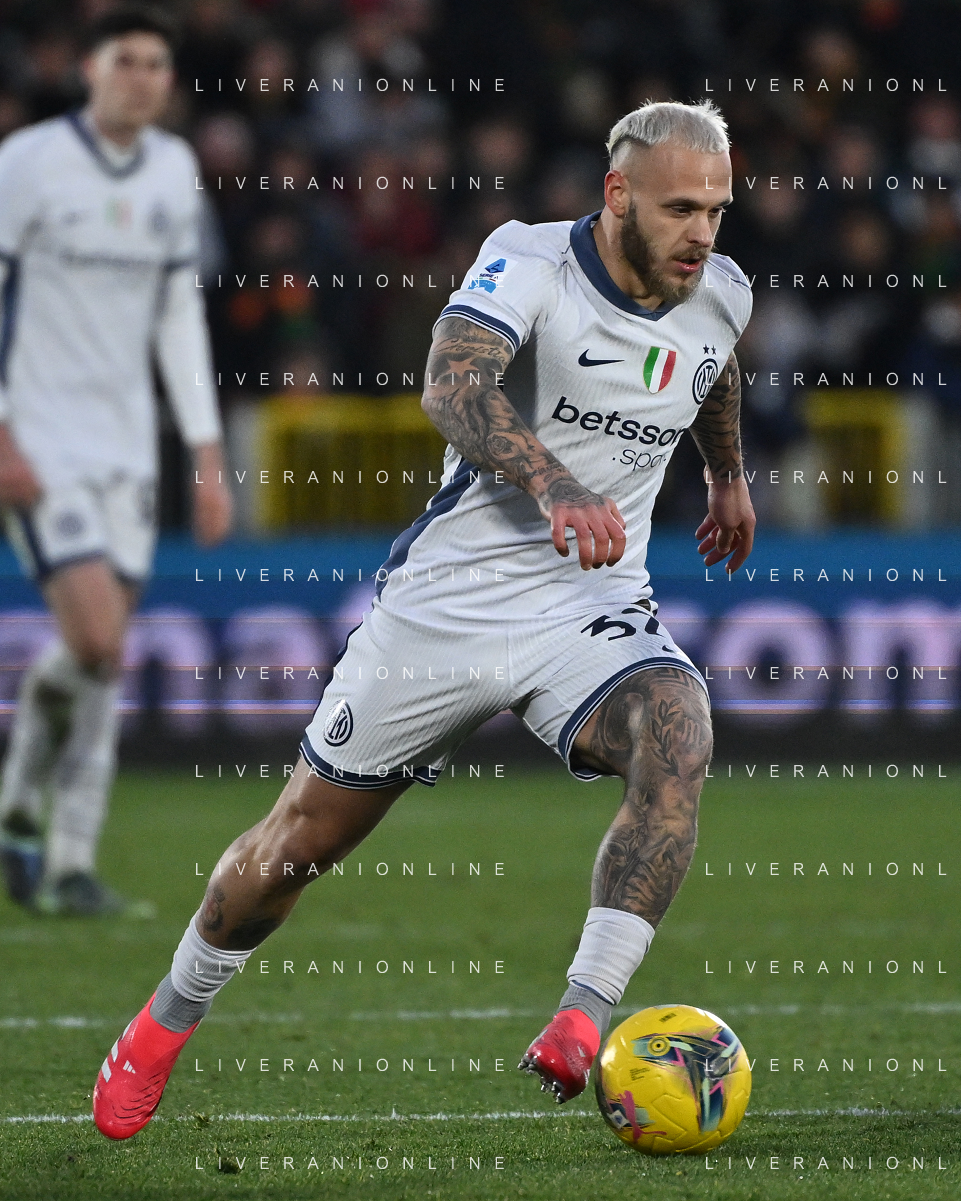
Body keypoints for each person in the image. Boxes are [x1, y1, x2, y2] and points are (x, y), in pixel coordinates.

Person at [92, 98, 755, 1139]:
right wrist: (552, 482)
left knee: (680, 726)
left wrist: (726, 475)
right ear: (617, 193)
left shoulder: (719, 290)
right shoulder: (529, 262)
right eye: (680, 209)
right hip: (446, 607)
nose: (702, 233)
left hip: (588, 602)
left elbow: (712, 369)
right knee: (295, 845)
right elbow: (451, 387)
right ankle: (164, 1020)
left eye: (716, 210)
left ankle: (583, 1013)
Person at [0, 5, 232, 917]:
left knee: (100, 659)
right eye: (124, 60)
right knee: (97, 640)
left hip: (129, 446)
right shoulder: (27, 163)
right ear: (90, 69)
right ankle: (26, 810)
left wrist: (205, 448)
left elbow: (179, 317)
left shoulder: (173, 170)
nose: (140, 77)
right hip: (41, 436)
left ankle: (59, 853)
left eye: (156, 64)